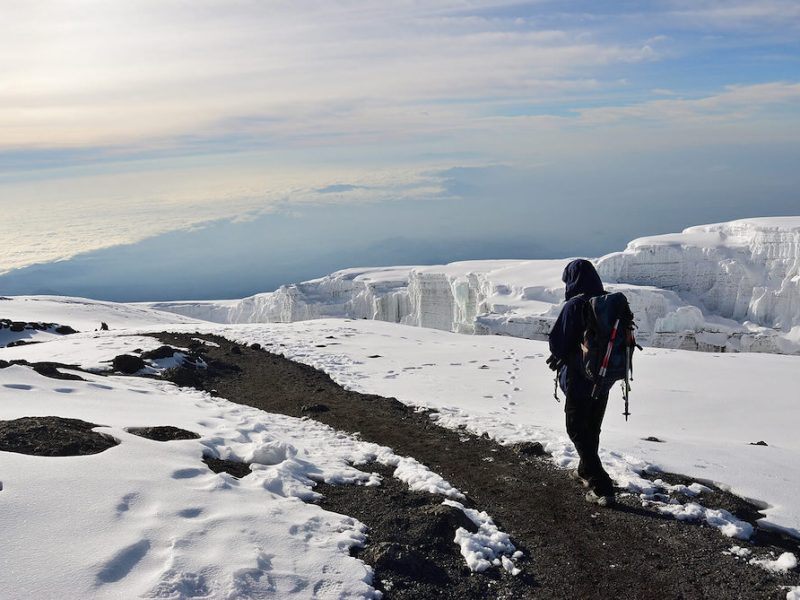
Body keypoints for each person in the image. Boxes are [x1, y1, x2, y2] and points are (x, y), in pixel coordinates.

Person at [548, 259, 616, 507]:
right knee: (591, 428)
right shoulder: (608, 303)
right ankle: (585, 470)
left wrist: (563, 354)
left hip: (580, 380)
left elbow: (558, 343)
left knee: (576, 429)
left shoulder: (576, 304)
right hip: (605, 378)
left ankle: (602, 486)